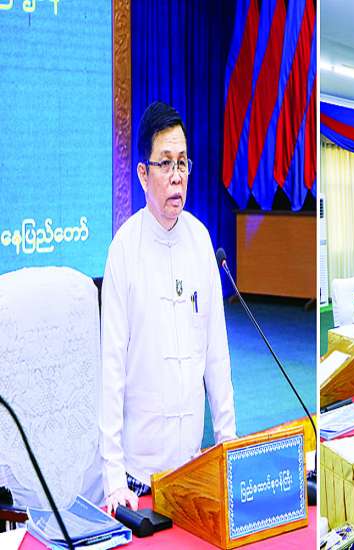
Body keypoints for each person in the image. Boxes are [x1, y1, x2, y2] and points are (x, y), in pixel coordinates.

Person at [100, 101, 237, 513]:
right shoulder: (124, 249)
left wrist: (228, 445)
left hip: (193, 470)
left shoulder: (200, 240)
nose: (177, 176)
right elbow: (111, 369)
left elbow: (217, 355)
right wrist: (113, 479)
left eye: (182, 162)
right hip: (137, 480)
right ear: (144, 174)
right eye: (165, 163)